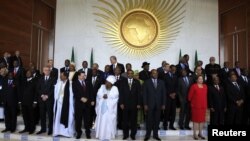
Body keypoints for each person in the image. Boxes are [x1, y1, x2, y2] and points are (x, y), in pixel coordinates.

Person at [143, 69, 166, 141]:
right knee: (149, 120)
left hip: (159, 105)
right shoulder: (146, 82)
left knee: (157, 120)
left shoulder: (161, 82)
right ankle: (148, 135)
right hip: (149, 105)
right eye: (153, 73)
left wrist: (163, 104)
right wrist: (145, 104)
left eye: (156, 73)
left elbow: (164, 94)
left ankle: (155, 135)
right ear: (151, 74)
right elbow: (144, 94)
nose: (155, 75)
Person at [95, 75, 119, 140]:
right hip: (102, 108)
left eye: (108, 82)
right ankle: (101, 135)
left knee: (108, 122)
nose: (106, 83)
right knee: (101, 122)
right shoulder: (102, 86)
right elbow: (98, 93)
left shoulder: (115, 88)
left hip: (110, 108)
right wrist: (103, 95)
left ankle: (108, 136)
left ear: (111, 83)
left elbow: (115, 96)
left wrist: (108, 96)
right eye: (106, 81)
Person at [120, 70, 141, 140]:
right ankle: (125, 135)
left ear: (133, 74)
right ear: (127, 74)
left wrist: (138, 103)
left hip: (134, 105)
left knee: (133, 121)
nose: (130, 75)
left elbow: (139, 94)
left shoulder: (137, 82)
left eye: (132, 73)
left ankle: (133, 135)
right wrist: (121, 103)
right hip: (125, 105)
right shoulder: (123, 82)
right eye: (129, 74)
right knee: (125, 121)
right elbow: (121, 93)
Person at [72, 71, 93, 139]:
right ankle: (79, 133)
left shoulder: (88, 82)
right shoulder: (74, 83)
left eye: (84, 75)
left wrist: (92, 100)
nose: (84, 77)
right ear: (78, 76)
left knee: (87, 120)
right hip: (79, 104)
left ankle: (88, 133)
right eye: (82, 75)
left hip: (87, 104)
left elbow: (91, 92)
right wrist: (81, 98)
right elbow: (75, 92)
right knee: (78, 120)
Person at [53, 72, 75, 137]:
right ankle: (57, 131)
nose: (60, 77)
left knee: (68, 117)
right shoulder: (58, 83)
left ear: (66, 77)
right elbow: (56, 92)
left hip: (67, 104)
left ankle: (66, 133)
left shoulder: (70, 84)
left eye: (62, 76)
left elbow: (72, 95)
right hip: (59, 104)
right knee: (58, 117)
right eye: (60, 76)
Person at [36, 66, 55, 135]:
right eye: (45, 70)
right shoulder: (40, 79)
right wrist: (42, 95)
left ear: (50, 71)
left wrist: (47, 96)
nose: (47, 71)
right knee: (42, 115)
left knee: (50, 115)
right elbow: (38, 88)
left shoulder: (53, 79)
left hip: (49, 100)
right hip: (41, 100)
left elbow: (53, 89)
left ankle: (50, 130)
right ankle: (43, 129)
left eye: (48, 70)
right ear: (43, 71)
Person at [188, 75, 207, 140]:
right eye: (200, 79)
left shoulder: (205, 86)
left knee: (201, 121)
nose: (201, 80)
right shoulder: (194, 86)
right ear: (197, 80)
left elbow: (205, 96)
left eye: (202, 79)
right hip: (195, 106)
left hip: (203, 106)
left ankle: (200, 133)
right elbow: (189, 97)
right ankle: (195, 134)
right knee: (195, 121)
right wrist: (193, 103)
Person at [19, 70, 37, 134]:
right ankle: (26, 128)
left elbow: (36, 92)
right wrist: (20, 102)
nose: (27, 74)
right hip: (23, 102)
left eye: (29, 73)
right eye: (26, 73)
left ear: (31, 74)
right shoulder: (23, 81)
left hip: (31, 102)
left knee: (31, 116)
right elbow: (20, 92)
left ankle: (32, 129)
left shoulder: (35, 81)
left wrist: (35, 102)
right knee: (25, 116)